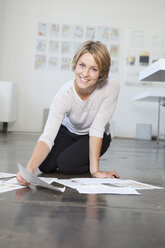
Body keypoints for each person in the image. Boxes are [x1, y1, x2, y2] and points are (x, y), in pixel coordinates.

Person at [17, 40, 120, 186]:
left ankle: (78, 158)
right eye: (82, 65)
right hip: (69, 131)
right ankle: (73, 155)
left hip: (97, 136)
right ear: (75, 64)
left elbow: (96, 129)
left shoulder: (111, 87)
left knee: (66, 165)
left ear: (102, 72)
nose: (85, 74)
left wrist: (95, 172)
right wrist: (28, 170)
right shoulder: (64, 95)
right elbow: (47, 136)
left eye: (93, 69)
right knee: (45, 166)